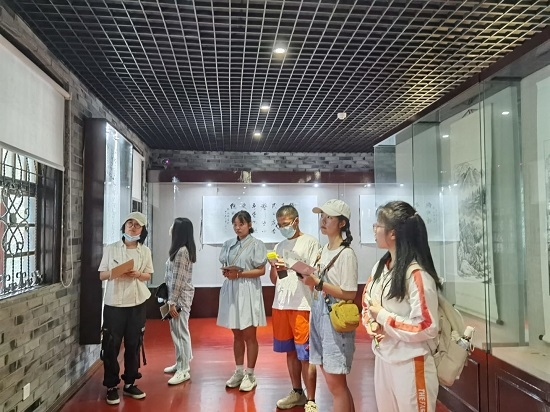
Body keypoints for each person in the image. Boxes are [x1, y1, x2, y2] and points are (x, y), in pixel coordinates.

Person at [362, 201, 441, 412]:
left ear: (393, 234)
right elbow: (367, 302)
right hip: (383, 357)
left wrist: (383, 318)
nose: (374, 229)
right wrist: (371, 324)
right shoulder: (380, 267)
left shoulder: (417, 274)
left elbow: (427, 326)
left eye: (378, 225)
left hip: (410, 362)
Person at [302, 199, 358, 412]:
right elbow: (319, 284)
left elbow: (350, 293)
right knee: (335, 383)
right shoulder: (323, 250)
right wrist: (310, 280)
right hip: (318, 314)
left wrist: (319, 283)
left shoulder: (346, 254)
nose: (323, 221)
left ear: (342, 223)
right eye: (322, 216)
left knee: (336, 385)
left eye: (329, 217)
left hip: (334, 317)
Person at [98, 212, 154, 405]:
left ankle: (130, 383)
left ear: (142, 230)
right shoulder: (111, 249)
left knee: (133, 344)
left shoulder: (145, 251)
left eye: (137, 225)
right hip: (114, 304)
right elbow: (101, 275)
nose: (133, 227)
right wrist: (115, 272)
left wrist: (137, 274)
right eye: (130, 223)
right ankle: (111, 386)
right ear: (124, 226)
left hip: (137, 303)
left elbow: (148, 275)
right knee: (111, 345)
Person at [270, 205, 320, 411]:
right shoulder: (279, 245)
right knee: (289, 351)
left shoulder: (311, 242)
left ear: (296, 221)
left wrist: (293, 265)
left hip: (302, 304)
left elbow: (314, 275)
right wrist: (275, 268)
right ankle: (297, 392)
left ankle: (311, 400)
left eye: (285, 224)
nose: (283, 228)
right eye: (279, 225)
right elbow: (274, 280)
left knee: (305, 354)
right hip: (281, 304)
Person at [217, 210, 268, 392]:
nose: (238, 228)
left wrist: (239, 274)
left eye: (241, 224)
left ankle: (250, 374)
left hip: (248, 289)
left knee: (249, 334)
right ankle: (239, 371)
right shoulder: (228, 244)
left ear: (249, 225)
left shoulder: (257, 244)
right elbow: (224, 264)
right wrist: (228, 272)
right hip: (232, 288)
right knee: (236, 334)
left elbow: (261, 270)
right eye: (235, 224)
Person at [163, 217, 196, 385]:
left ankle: (184, 369)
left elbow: (178, 279)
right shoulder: (179, 250)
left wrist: (172, 301)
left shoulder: (182, 251)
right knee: (176, 330)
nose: (170, 228)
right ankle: (180, 362)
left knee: (180, 331)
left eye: (173, 226)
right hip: (175, 297)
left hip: (179, 299)